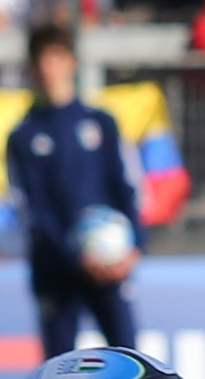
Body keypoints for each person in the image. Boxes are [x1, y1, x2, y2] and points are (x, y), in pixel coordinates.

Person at [10, 26, 141, 357]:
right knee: (58, 370)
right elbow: (33, 209)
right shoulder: (24, 135)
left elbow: (126, 186)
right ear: (30, 68)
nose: (48, 68)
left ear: (72, 64)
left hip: (110, 264)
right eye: (40, 60)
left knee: (129, 361)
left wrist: (134, 245)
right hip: (57, 269)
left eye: (55, 58)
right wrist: (76, 256)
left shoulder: (101, 123)